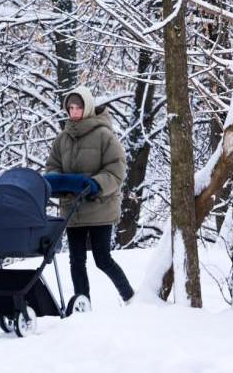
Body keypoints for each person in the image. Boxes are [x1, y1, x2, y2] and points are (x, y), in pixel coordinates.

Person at [45, 86, 134, 306]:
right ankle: (82, 303)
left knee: (102, 259)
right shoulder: (62, 139)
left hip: (99, 206)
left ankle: (131, 298)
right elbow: (52, 166)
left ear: (87, 108)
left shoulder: (104, 135)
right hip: (72, 208)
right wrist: (57, 182)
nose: (74, 112)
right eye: (71, 108)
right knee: (76, 260)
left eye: (78, 107)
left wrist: (95, 184)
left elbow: (116, 169)